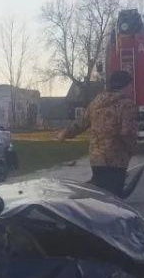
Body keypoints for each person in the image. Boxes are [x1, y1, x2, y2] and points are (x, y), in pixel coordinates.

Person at [59, 70, 139, 198]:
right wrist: (132, 149)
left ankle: (83, 196)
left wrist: (64, 134)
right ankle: (77, 198)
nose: (132, 89)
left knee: (101, 188)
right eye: (131, 85)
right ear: (125, 85)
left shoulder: (96, 102)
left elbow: (80, 123)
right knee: (113, 196)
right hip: (116, 158)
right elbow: (127, 132)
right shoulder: (126, 105)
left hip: (96, 157)